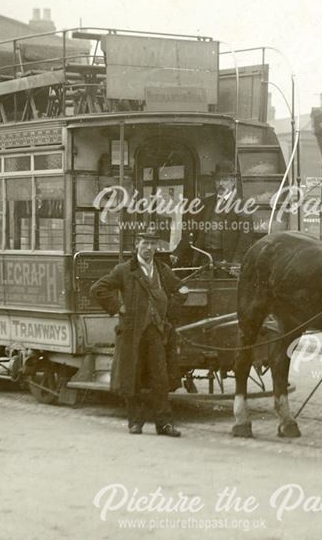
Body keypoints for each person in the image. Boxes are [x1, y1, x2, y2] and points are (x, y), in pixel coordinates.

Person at [90, 233, 189, 436]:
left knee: (160, 378)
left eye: (153, 244)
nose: (149, 248)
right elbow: (98, 289)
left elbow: (181, 289)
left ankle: (164, 424)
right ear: (137, 245)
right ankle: (135, 423)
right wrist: (119, 307)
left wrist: (169, 313)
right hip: (132, 334)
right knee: (132, 377)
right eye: (145, 243)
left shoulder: (162, 270)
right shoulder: (124, 270)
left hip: (156, 333)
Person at [187, 160, 257, 271]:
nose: (221, 184)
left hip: (226, 261)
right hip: (204, 257)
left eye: (225, 180)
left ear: (233, 182)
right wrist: (177, 252)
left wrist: (236, 262)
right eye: (218, 180)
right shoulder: (207, 202)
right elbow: (193, 229)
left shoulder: (242, 205)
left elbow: (245, 237)